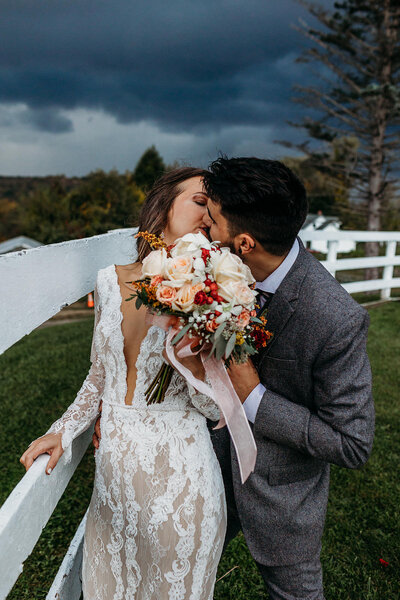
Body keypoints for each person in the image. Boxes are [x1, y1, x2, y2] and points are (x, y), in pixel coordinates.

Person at [19, 167, 227, 600]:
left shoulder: (212, 292)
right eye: (200, 202)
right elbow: (100, 375)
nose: (209, 217)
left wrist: (191, 336)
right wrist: (63, 429)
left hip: (182, 479)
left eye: (216, 209)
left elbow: (213, 409)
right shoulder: (109, 282)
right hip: (114, 479)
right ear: (163, 205)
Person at [200, 156, 375, 600]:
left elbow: (352, 443)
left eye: (212, 219)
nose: (204, 226)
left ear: (243, 242)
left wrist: (254, 396)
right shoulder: (208, 270)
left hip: (282, 499)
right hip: (202, 473)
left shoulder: (335, 319)